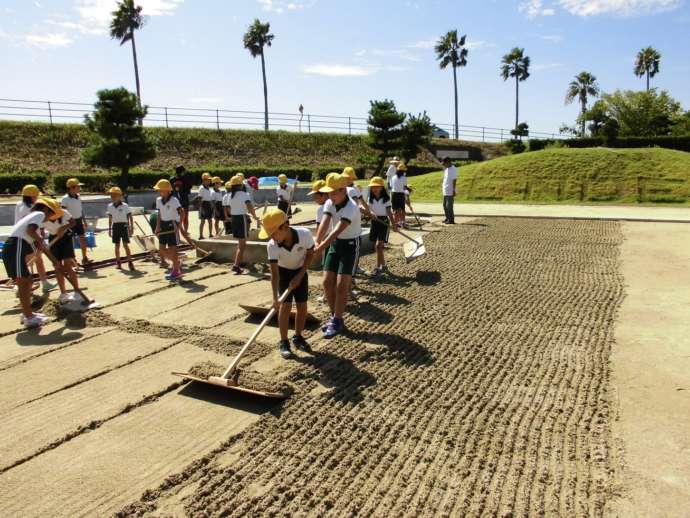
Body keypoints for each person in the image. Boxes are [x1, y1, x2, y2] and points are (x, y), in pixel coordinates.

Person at [260, 209, 315, 359]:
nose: (271, 237)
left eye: (273, 232)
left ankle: (298, 337)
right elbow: (274, 274)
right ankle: (284, 342)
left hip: (300, 271)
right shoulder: (272, 245)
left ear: (285, 226)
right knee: (284, 307)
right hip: (283, 274)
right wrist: (275, 298)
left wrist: (300, 275)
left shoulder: (304, 234)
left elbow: (310, 254)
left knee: (302, 307)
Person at [3, 198, 64, 328]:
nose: (50, 218)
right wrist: (40, 240)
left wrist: (55, 262)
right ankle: (28, 316)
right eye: (52, 214)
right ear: (46, 209)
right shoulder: (38, 214)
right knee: (24, 282)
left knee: (28, 281)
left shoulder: (33, 220)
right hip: (16, 246)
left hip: (16, 248)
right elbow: (30, 232)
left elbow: (41, 247)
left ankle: (28, 314)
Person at [314, 173, 362, 338]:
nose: (330, 196)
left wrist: (320, 247)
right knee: (327, 282)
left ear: (343, 191)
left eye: (334, 193)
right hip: (335, 245)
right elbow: (325, 223)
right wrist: (316, 242)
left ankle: (337, 319)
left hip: (350, 246)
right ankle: (335, 318)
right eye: (329, 192)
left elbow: (336, 231)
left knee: (342, 285)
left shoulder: (351, 208)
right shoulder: (329, 202)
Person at [15, 184, 56, 293]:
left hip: (27, 237)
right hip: (30, 238)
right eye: (36, 196)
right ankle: (35, 285)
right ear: (31, 196)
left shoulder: (19, 205)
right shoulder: (29, 208)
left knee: (34, 261)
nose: (37, 198)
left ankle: (33, 284)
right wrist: (40, 237)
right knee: (36, 261)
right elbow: (32, 225)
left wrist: (41, 231)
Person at [42, 204, 80, 304]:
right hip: (53, 240)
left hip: (66, 238)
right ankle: (63, 293)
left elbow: (73, 222)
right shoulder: (41, 218)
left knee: (68, 266)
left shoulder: (64, 213)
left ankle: (77, 291)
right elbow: (40, 231)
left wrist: (63, 228)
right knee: (57, 267)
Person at [227, 175, 259, 275]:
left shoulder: (230, 196)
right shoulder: (244, 194)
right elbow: (249, 206)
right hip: (242, 219)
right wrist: (254, 216)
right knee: (242, 245)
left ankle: (238, 261)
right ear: (241, 185)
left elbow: (229, 209)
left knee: (240, 243)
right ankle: (236, 265)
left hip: (234, 219)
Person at [153, 179, 184, 281]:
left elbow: (182, 212)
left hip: (172, 224)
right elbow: (159, 214)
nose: (159, 191)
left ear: (167, 190)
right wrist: (157, 227)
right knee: (161, 249)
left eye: (161, 190)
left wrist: (179, 226)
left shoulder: (174, 200)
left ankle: (176, 271)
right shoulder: (158, 200)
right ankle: (176, 263)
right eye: (159, 190)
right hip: (163, 225)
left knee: (172, 249)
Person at [61, 178, 93, 267]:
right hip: (70, 221)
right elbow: (63, 212)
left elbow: (80, 209)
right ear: (72, 188)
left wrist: (84, 220)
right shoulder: (65, 199)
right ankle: (72, 259)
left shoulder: (78, 196)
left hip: (78, 220)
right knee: (70, 242)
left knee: (83, 239)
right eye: (78, 186)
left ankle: (84, 257)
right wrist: (66, 223)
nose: (79, 188)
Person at [367, 176, 397, 275]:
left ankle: (378, 267)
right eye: (373, 187)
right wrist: (372, 213)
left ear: (382, 188)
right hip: (374, 222)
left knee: (379, 246)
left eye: (377, 187)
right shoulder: (370, 198)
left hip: (383, 222)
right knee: (377, 247)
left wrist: (394, 224)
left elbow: (389, 212)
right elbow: (369, 209)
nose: (374, 189)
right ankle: (383, 265)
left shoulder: (386, 198)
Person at [106, 187, 135, 271]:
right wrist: (110, 229)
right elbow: (110, 218)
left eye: (115, 195)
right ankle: (118, 262)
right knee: (116, 245)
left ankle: (130, 262)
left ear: (119, 196)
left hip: (124, 226)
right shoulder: (110, 206)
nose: (113, 197)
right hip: (115, 226)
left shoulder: (125, 206)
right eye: (111, 195)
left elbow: (130, 217)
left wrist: (131, 228)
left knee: (125, 245)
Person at [170, 165, 192, 232]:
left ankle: (177, 232)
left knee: (176, 218)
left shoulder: (172, 179)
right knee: (185, 217)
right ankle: (185, 232)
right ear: (182, 171)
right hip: (184, 200)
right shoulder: (186, 178)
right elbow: (189, 189)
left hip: (175, 200)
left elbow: (170, 190)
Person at [390, 163, 408, 228]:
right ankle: (403, 223)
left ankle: (395, 223)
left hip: (394, 194)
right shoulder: (404, 178)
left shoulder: (393, 177)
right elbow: (405, 187)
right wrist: (408, 190)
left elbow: (391, 186)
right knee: (402, 209)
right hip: (400, 194)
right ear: (403, 171)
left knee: (395, 210)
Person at [197, 173, 214, 239]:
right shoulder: (201, 188)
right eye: (208, 180)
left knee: (210, 220)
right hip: (203, 205)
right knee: (203, 221)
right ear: (204, 180)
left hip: (208, 205)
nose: (209, 181)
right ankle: (201, 235)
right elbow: (200, 199)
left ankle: (210, 234)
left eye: (210, 180)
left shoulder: (208, 188)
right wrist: (201, 208)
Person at [442, 156, 458, 224]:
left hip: (450, 190)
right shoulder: (446, 169)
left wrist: (454, 190)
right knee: (444, 205)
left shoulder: (453, 169)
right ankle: (447, 218)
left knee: (449, 206)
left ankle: (451, 220)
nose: (444, 165)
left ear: (448, 162)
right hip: (445, 190)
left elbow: (454, 180)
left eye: (444, 163)